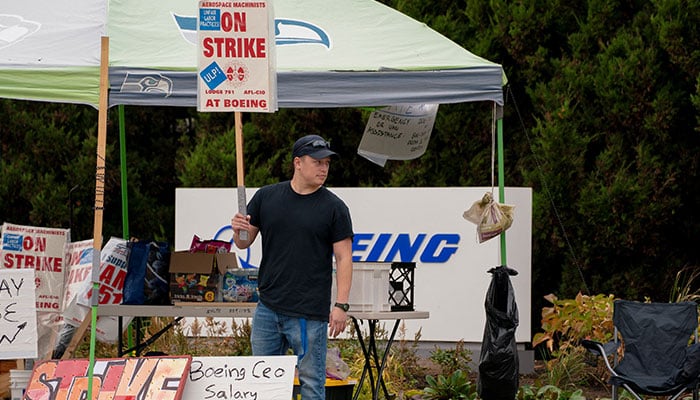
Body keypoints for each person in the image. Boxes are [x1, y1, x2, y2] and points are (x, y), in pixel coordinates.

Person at [231, 134, 354, 399]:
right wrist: (237, 229)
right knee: (264, 385)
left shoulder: (335, 207)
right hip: (268, 307)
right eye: (317, 161)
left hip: (310, 313)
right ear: (298, 162)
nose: (324, 168)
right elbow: (243, 242)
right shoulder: (266, 196)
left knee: (311, 385)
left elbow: (344, 257)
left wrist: (341, 305)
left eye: (327, 163)